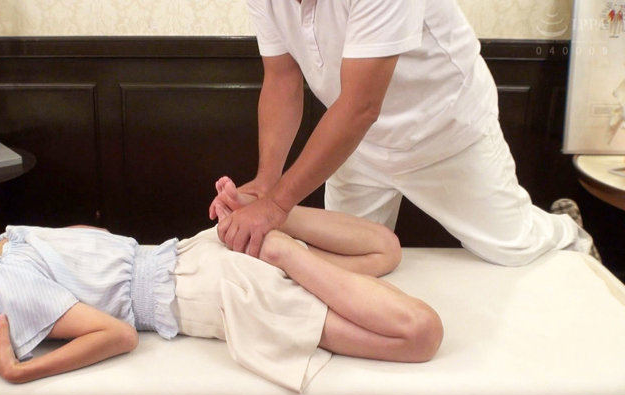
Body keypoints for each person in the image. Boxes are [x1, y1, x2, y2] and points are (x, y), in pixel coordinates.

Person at [0, 177, 442, 393]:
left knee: (419, 335)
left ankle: (277, 247)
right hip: (197, 250)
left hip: (214, 293)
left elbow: (118, 334)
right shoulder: (9, 238)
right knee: (384, 250)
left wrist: (20, 371)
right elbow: (95, 239)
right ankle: (261, 218)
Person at [212, 0, 595, 266]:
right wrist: (267, 180)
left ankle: (569, 232)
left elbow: (361, 107)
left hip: (442, 130)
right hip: (353, 144)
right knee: (347, 258)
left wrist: (276, 206)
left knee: (514, 246)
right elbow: (282, 78)